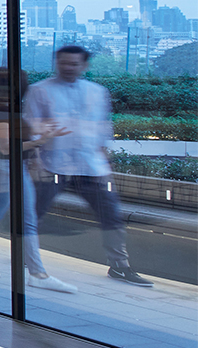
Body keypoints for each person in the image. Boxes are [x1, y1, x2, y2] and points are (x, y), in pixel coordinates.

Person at [28, 46, 152, 286]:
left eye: (74, 64)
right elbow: (31, 126)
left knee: (111, 216)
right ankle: (26, 256)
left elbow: (103, 128)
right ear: (56, 63)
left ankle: (120, 266)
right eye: (63, 63)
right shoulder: (40, 90)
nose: (68, 67)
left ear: (84, 65)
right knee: (33, 214)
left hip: (91, 167)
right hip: (52, 165)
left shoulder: (97, 92)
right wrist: (34, 161)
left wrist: (105, 162)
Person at [0, 68, 74, 291]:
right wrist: (40, 141)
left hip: (10, 168)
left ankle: (36, 273)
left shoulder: (3, 107)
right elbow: (6, 147)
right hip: (0, 168)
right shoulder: (0, 109)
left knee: (21, 218)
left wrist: (40, 137)